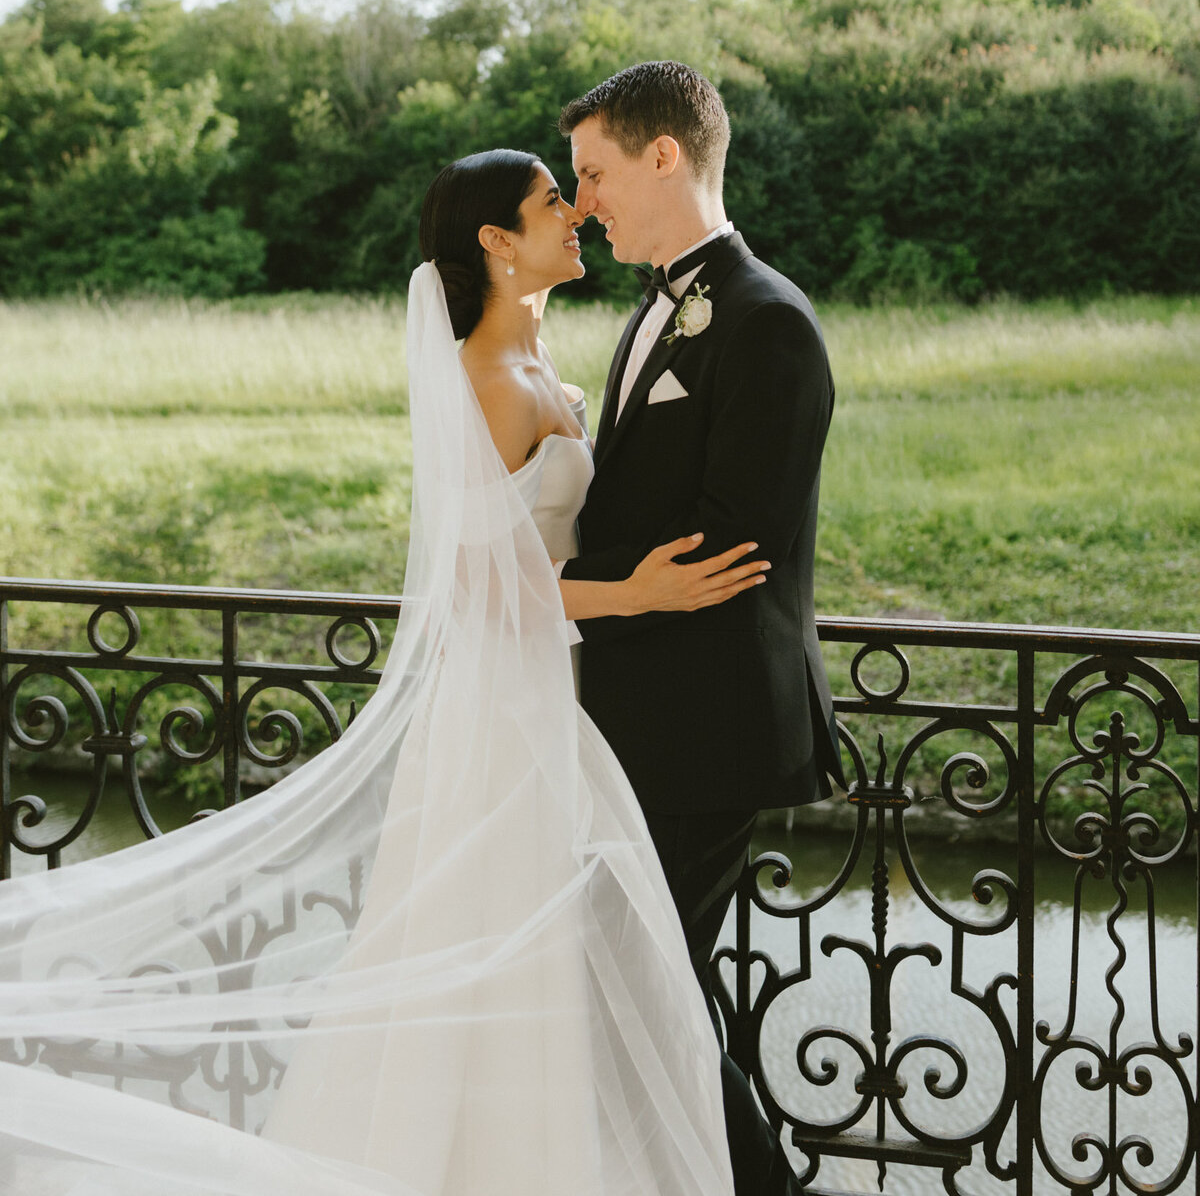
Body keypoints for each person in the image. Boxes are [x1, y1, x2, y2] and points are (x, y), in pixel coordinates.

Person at [0, 146, 766, 1196]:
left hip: (554, 698)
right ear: (497, 242)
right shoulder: (493, 385)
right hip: (500, 711)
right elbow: (478, 588)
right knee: (503, 955)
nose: (575, 213)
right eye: (553, 203)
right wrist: (637, 594)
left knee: (546, 966)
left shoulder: (541, 367)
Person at [559, 61, 844, 1196]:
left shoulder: (767, 321)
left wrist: (571, 586)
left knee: (634, 983)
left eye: (595, 172)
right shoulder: (655, 309)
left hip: (708, 725)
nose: (583, 201)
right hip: (636, 722)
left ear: (665, 154)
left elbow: (735, 545)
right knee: (653, 985)